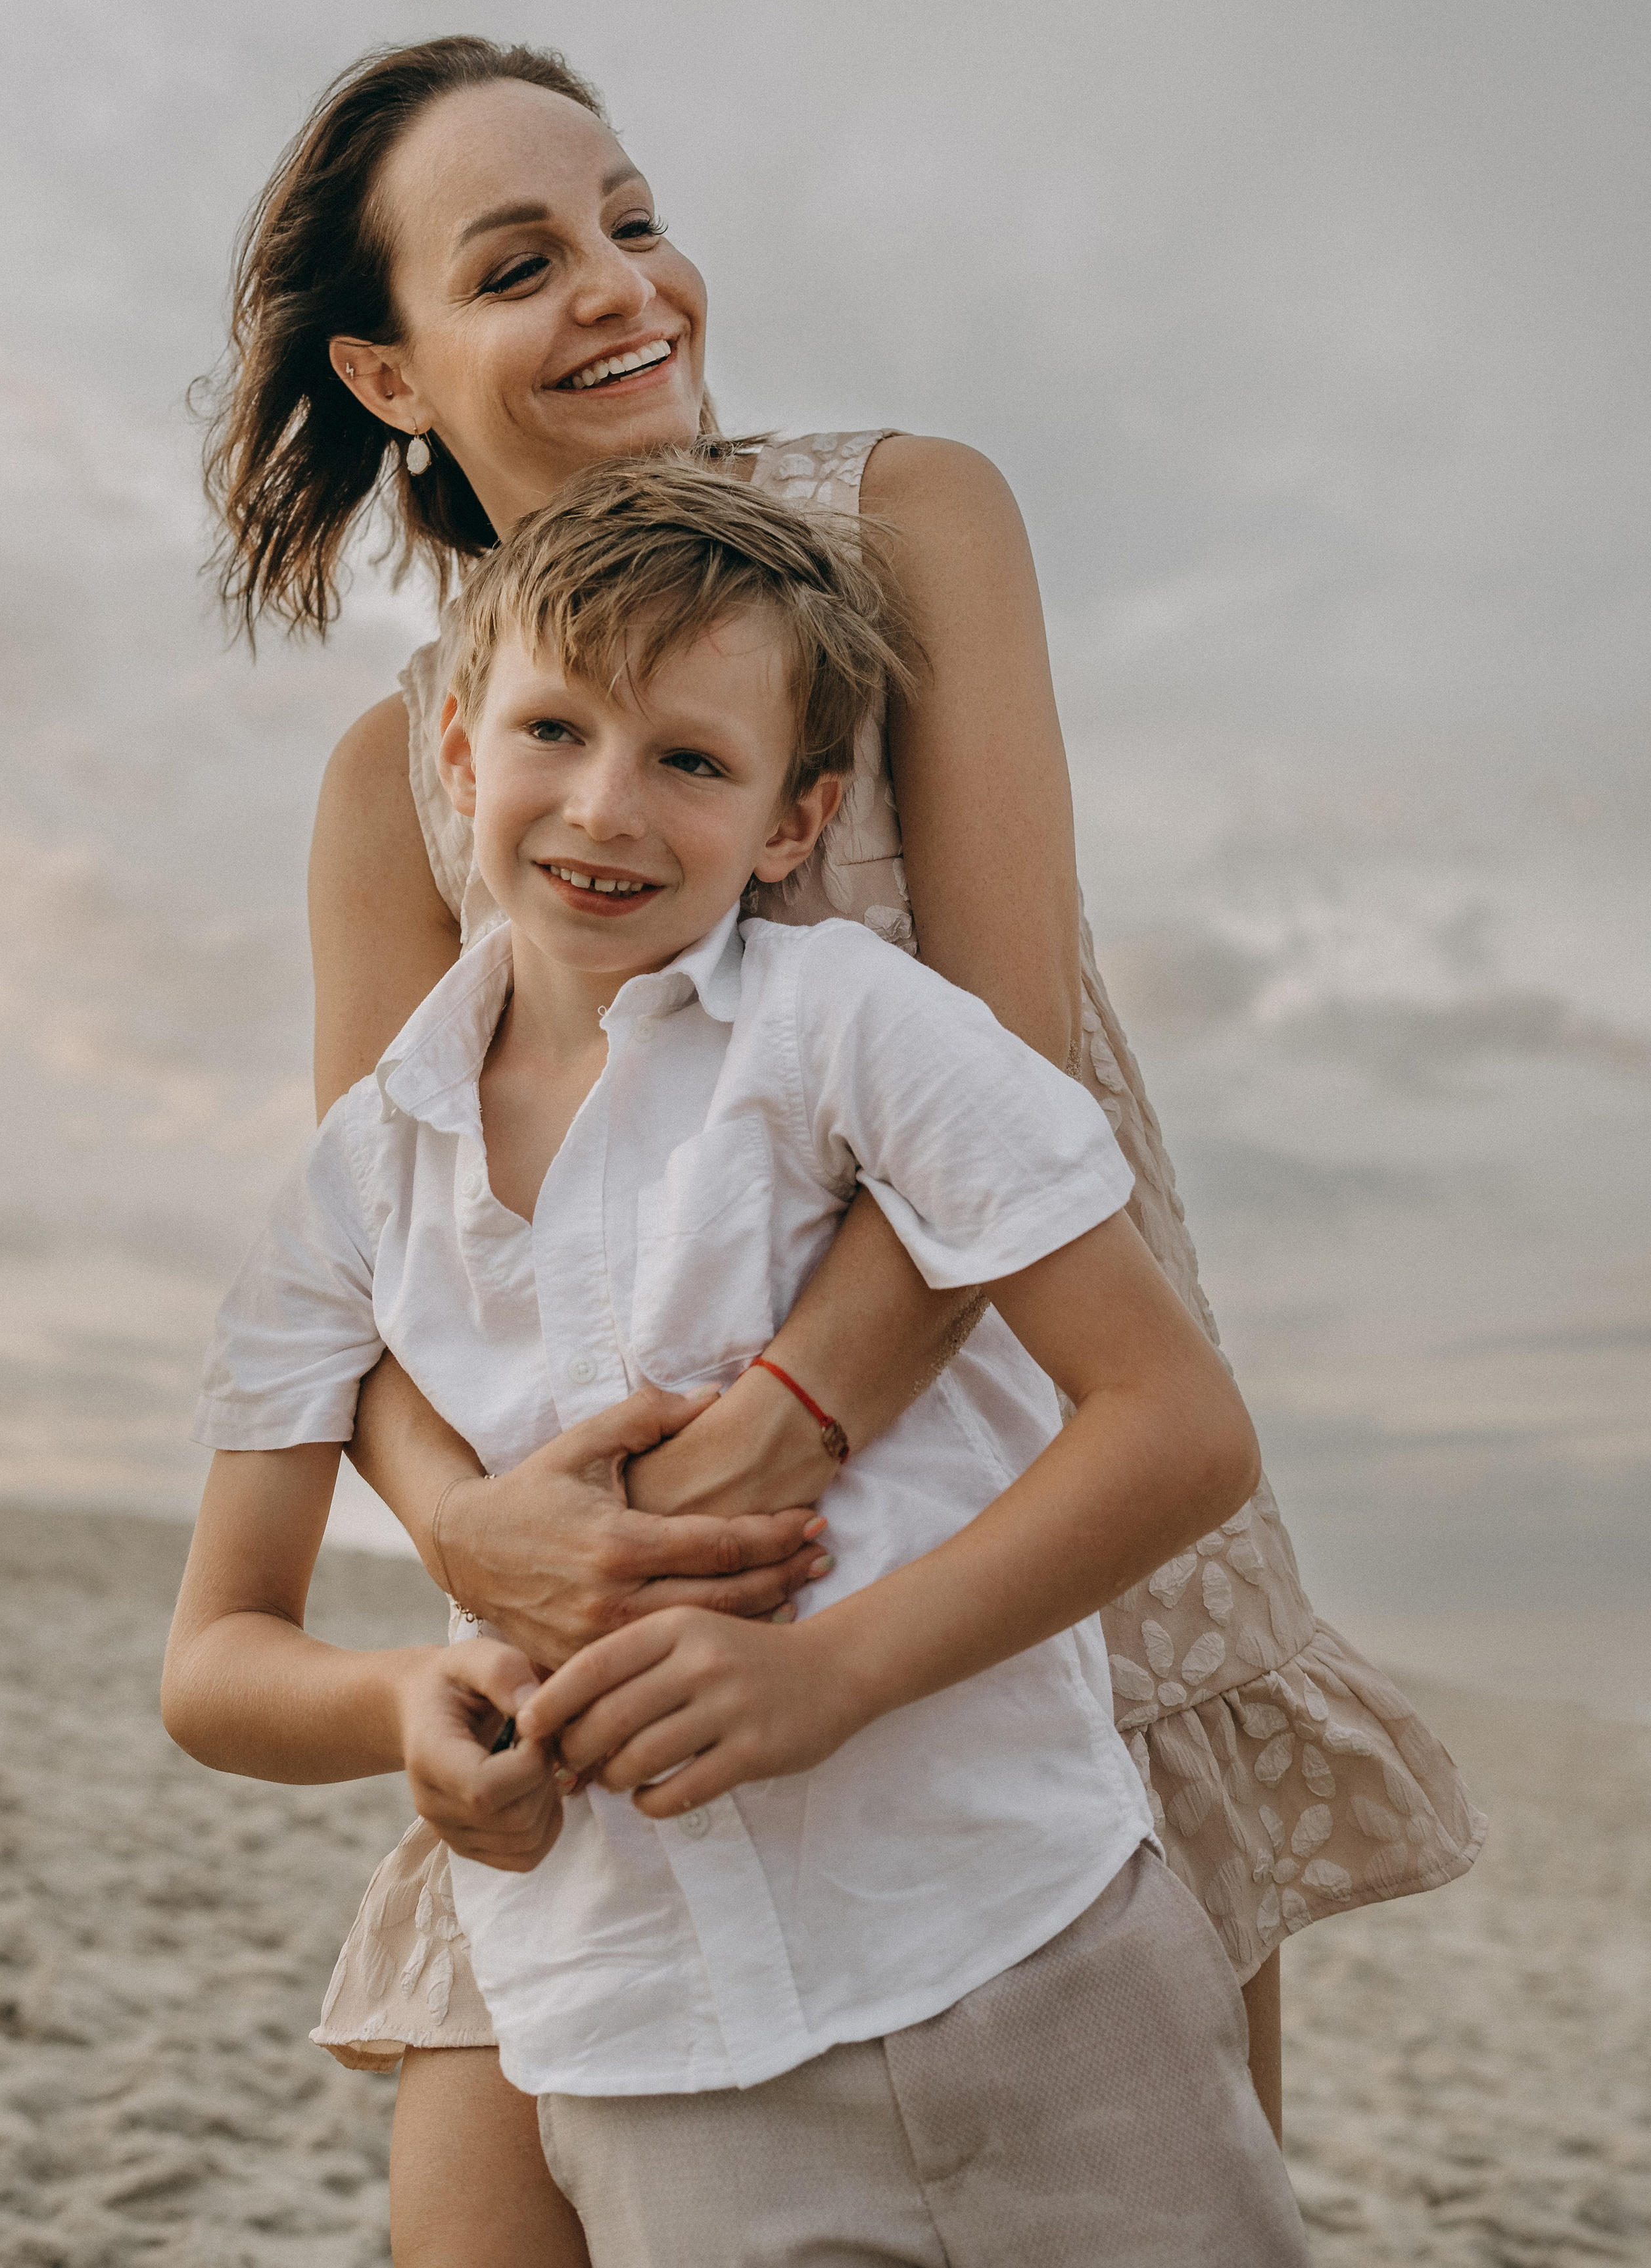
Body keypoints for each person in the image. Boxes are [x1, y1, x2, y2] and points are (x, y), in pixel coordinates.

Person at [197, 35, 1483, 2267]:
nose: (624, 284)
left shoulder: (907, 516)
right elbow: (374, 1260)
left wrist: (775, 1437)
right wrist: (484, 1535)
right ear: (391, 374)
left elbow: (1003, 1068)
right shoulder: (384, 779)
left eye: (629, 215)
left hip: (1017, 1499)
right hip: (623, 1612)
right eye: (522, 262)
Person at [164, 460, 1313, 2266]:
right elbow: (215, 1658)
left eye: (692, 760)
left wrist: (831, 1674)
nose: (605, 805)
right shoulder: (354, 1183)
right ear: (457, 755)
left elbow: (1180, 1431)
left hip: (1027, 1935)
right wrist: (399, 1703)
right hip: (650, 2047)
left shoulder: (856, 1029)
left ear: (798, 819)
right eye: (554, 728)